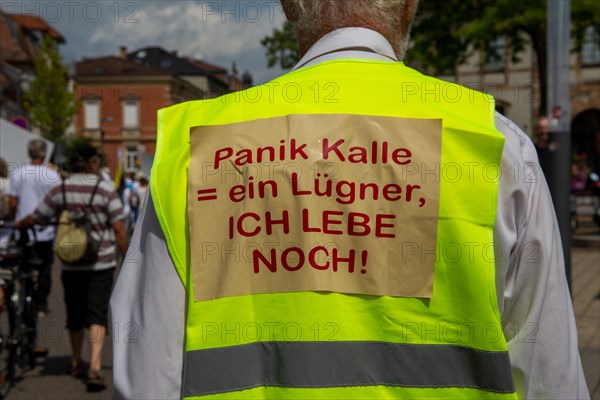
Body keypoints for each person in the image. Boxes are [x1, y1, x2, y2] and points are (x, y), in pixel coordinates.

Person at [111, 1, 589, 399]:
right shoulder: (491, 143)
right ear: (408, 6)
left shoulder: (200, 145)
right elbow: (551, 375)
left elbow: (148, 371)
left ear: (287, 4)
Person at [17, 143, 128, 392]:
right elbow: (119, 229)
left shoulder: (60, 189)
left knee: (75, 314)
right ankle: (95, 367)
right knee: (97, 314)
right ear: (93, 163)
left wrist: (20, 223)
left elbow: (40, 217)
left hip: (71, 263)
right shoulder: (105, 189)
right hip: (101, 262)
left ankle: (76, 360)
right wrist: (127, 258)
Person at [6, 140, 61, 317]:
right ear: (44, 154)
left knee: (23, 265)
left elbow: (12, 203)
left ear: (29, 153)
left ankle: (22, 295)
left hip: (22, 229)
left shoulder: (17, 174)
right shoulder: (52, 176)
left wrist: (15, 217)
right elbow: (58, 203)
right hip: (45, 230)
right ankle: (41, 305)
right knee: (45, 268)